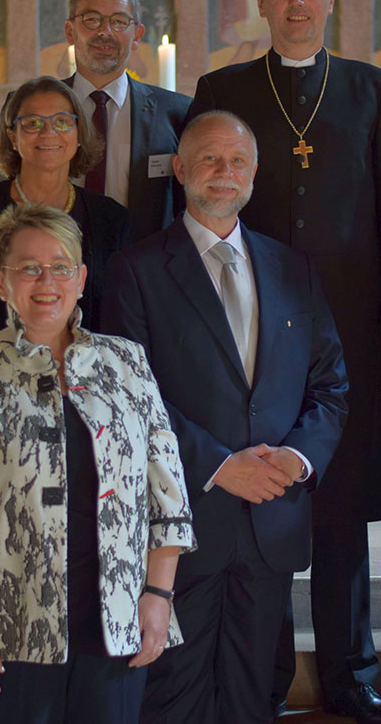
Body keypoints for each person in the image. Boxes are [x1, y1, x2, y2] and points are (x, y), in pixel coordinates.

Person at [185, 0, 381, 723]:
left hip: (351, 328)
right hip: (252, 326)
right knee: (264, 503)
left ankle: (351, 676)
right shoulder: (224, 90)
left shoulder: (368, 87)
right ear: (261, 1)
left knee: (341, 506)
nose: (295, 3)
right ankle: (265, 673)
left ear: (329, 1)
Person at [100, 111, 348, 724]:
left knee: (255, 693)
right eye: (209, 160)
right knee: (172, 693)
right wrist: (218, 466)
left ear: (255, 174)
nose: (223, 173)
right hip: (182, 516)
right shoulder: (136, 270)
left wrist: (295, 458)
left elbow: (330, 386)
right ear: (181, 170)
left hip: (272, 515)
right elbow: (133, 399)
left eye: (237, 161)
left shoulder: (294, 268)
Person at [0, 204, 195, 724]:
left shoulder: (126, 363)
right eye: (28, 267)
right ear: (1, 282)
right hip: (9, 626)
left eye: (61, 266)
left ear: (82, 279)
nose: (47, 281)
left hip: (117, 618)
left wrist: (158, 595)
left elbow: (168, 492)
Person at [0, 76, 127, 350]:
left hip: (89, 379)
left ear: (79, 134)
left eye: (62, 121)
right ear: (12, 136)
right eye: (33, 123)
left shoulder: (112, 220)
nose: (48, 132)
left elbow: (119, 319)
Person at [63, 0, 190, 239]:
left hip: (142, 269)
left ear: (137, 36)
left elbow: (186, 209)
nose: (105, 31)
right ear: (70, 31)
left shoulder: (176, 112)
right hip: (55, 268)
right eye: (91, 19)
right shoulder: (34, 107)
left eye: (119, 21)